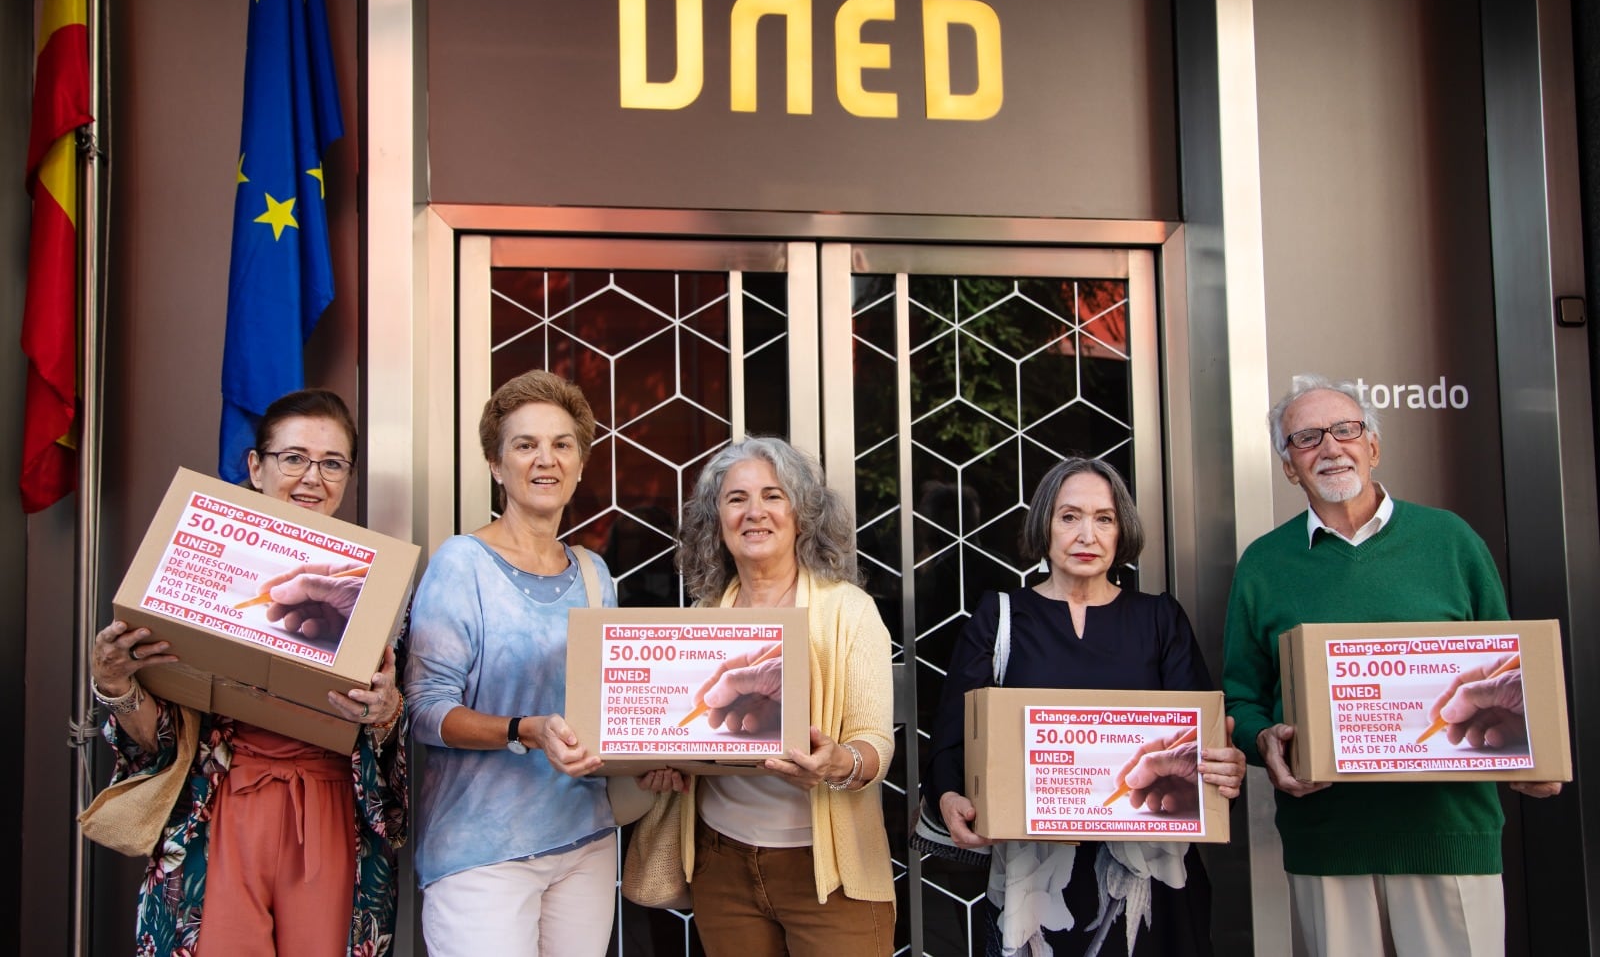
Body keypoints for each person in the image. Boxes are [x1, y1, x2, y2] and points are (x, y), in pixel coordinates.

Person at [1222, 374, 1562, 957]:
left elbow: (1512, 674)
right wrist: (1266, 743)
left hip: (1450, 832)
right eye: (1305, 438)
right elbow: (1242, 698)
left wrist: (1536, 750)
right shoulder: (1263, 564)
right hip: (1329, 841)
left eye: (1345, 430)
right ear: (1288, 467)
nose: (1329, 447)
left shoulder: (1450, 540)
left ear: (1372, 447)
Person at [90, 388, 407, 956]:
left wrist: (386, 715)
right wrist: (115, 685)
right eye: (293, 458)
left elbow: (387, 739)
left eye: (332, 463)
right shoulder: (198, 559)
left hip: (332, 810)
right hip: (221, 802)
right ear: (256, 467)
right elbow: (161, 737)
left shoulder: (375, 586)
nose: (312, 477)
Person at [924, 456, 1245, 957]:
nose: (1086, 535)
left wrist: (1223, 766)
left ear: (1122, 532)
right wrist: (948, 796)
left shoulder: (1160, 619)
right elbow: (951, 740)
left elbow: (1201, 749)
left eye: (1104, 518)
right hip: (1037, 880)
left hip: (1149, 878)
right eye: (1069, 517)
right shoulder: (1000, 617)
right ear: (1044, 527)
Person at [636, 436, 896, 957]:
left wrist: (836, 764)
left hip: (830, 873)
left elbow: (876, 744)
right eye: (736, 499)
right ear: (717, 520)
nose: (755, 512)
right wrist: (663, 765)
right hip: (721, 862)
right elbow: (685, 736)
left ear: (803, 514)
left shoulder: (850, 610)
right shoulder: (700, 618)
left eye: (773, 496)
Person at [404, 370, 620, 956]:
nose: (544, 460)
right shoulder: (462, 564)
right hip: (481, 855)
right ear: (497, 466)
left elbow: (611, 709)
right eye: (525, 445)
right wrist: (522, 730)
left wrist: (653, 752)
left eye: (562, 444)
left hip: (587, 843)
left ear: (580, 464)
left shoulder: (595, 575)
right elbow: (423, 712)